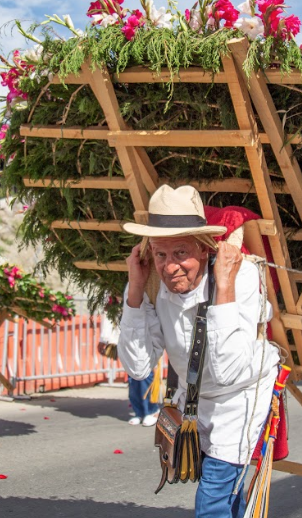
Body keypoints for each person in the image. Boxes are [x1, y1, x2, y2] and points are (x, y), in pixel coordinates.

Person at [117, 185, 280, 518]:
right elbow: (136, 367)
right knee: (225, 495)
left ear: (205, 249)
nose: (170, 266)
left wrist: (223, 288)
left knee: (214, 499)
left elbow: (227, 371)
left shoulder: (242, 276)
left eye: (180, 253)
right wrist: (134, 289)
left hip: (239, 398)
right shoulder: (151, 282)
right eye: (161, 255)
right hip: (195, 402)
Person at [98, 297, 159, 426]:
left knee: (145, 374)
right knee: (132, 376)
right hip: (125, 337)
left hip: (142, 335)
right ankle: (139, 412)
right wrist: (104, 339)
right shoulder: (113, 296)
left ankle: (152, 410)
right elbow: (110, 316)